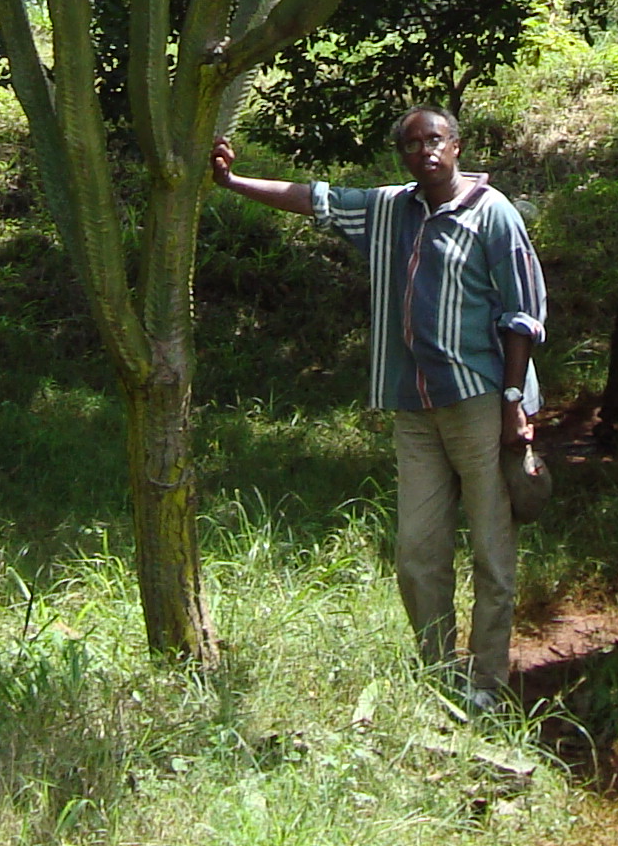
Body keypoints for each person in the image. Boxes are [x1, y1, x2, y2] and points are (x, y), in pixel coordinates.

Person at [210, 104, 547, 707]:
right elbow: (315, 198)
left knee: (492, 550)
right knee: (418, 551)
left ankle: (488, 680)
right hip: (411, 405)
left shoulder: (492, 214)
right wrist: (233, 181)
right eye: (413, 144)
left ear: (457, 145)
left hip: (478, 399)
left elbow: (522, 312)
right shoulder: (389, 208)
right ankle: (439, 677)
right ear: (402, 155)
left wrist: (514, 401)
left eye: (436, 140)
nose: (426, 152)